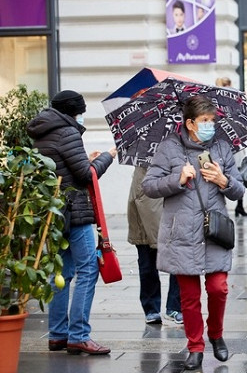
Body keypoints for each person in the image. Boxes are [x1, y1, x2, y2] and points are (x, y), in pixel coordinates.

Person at [142, 95, 245, 370]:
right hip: (182, 233)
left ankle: (216, 334)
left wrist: (223, 180)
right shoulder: (169, 148)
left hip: (214, 232)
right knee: (188, 298)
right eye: (204, 121)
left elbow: (239, 190)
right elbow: (149, 186)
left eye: (212, 121)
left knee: (218, 288)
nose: (210, 125)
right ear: (189, 123)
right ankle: (195, 346)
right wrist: (177, 179)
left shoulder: (222, 148)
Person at [26, 90, 117, 355]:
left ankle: (58, 334)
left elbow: (62, 168)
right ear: (72, 111)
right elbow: (86, 176)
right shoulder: (68, 132)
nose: (81, 116)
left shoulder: (42, 131)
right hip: (74, 211)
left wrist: (85, 160)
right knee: (88, 269)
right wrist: (107, 157)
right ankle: (79, 335)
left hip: (54, 213)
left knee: (62, 273)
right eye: (80, 112)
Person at [127, 167, 183, 325]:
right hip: (147, 207)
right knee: (148, 260)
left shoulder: (181, 149)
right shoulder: (143, 157)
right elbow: (140, 194)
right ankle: (153, 308)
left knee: (178, 254)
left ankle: (174, 306)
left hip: (173, 204)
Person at [215, 76, 247, 217]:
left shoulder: (223, 102)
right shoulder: (231, 101)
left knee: (234, 177)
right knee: (235, 175)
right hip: (231, 147)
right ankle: (239, 206)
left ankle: (239, 206)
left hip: (232, 146)